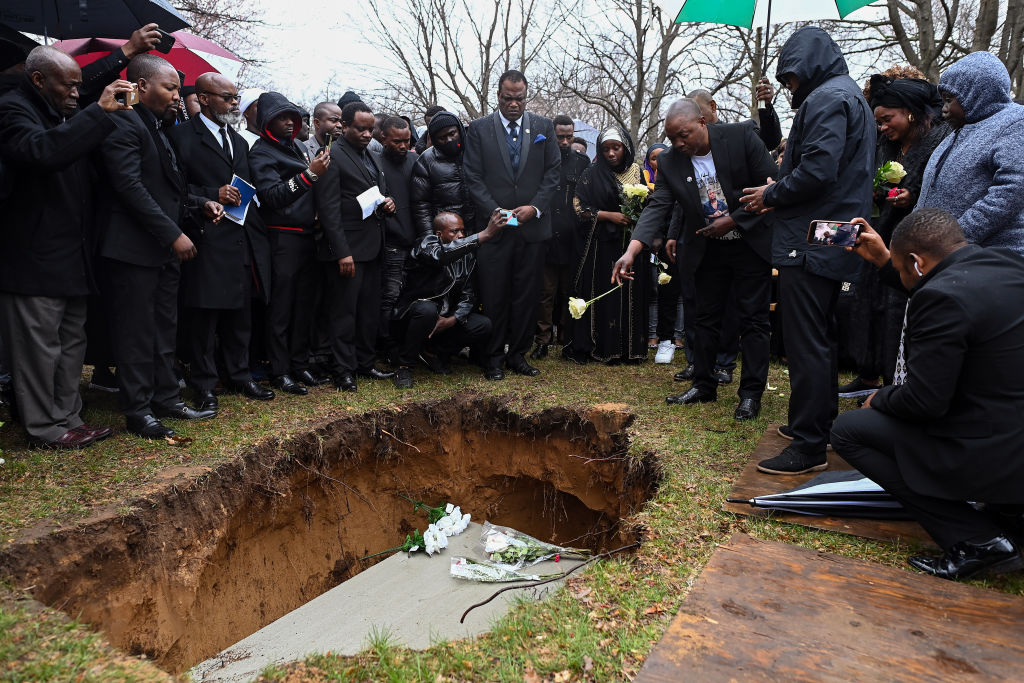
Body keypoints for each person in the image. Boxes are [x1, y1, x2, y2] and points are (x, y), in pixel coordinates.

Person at [831, 209, 1024, 581]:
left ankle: (979, 540)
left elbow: (925, 403)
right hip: (1011, 426)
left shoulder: (940, 298)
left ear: (917, 262)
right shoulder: (1006, 262)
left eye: (902, 269)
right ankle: (1010, 513)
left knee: (850, 430)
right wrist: (886, 262)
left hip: (996, 449)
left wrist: (880, 397)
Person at [739, 26, 876, 474]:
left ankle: (809, 444)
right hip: (833, 233)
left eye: (791, 77)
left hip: (810, 239)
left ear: (807, 65)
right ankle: (820, 424)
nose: (789, 87)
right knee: (821, 336)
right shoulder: (850, 95)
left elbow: (818, 170)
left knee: (806, 343)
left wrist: (772, 193)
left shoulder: (826, 100)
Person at [0, 46, 132, 448]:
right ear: (39, 80)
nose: (77, 92)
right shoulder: (12, 109)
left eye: (80, 85)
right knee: (39, 351)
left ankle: (69, 417)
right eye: (69, 85)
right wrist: (99, 112)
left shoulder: (61, 110)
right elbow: (42, 152)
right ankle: (45, 427)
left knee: (72, 344)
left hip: (73, 257)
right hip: (33, 258)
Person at [615, 99, 777, 420]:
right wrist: (632, 250)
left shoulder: (740, 137)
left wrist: (734, 220)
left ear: (702, 122)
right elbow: (658, 205)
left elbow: (772, 187)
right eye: (672, 138)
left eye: (684, 135)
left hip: (749, 244)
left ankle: (750, 394)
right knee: (703, 318)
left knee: (753, 320)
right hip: (706, 248)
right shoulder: (671, 161)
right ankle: (703, 384)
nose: (678, 143)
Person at [98, 54, 223, 438]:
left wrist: (200, 203)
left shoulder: (158, 127)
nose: (177, 96)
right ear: (141, 86)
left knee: (164, 329)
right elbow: (129, 188)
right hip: (133, 249)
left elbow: (167, 189)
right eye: (170, 88)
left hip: (162, 252)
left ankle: (166, 397)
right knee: (137, 333)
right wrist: (172, 234)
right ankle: (138, 410)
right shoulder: (124, 122)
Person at [166, 72, 274, 409]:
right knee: (204, 318)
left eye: (235, 97)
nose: (234, 104)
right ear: (204, 98)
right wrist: (211, 194)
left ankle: (239, 375)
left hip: (239, 238)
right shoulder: (180, 137)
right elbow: (172, 190)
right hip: (203, 238)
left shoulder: (239, 141)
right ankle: (204, 384)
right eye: (227, 98)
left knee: (239, 315)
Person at [841, 74, 951, 399]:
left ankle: (894, 383)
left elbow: (941, 189)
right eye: (879, 122)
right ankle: (868, 373)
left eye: (888, 119)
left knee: (896, 308)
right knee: (866, 302)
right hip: (882, 230)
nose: (883, 127)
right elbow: (879, 178)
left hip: (916, 239)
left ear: (910, 112)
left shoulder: (941, 139)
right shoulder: (887, 144)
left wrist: (911, 196)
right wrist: (879, 191)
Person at [463, 69, 560, 379]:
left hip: (532, 229)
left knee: (527, 295)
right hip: (495, 229)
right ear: (498, 96)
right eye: (508, 98)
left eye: (519, 98)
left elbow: (553, 172)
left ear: (526, 96)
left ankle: (518, 354)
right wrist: (495, 211)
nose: (514, 104)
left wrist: (535, 207)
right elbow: (472, 175)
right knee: (494, 295)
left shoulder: (544, 127)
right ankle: (492, 357)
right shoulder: (479, 129)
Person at [249, 91, 331, 395]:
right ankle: (279, 371)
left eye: (292, 117)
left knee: (303, 305)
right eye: (281, 117)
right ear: (267, 121)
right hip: (281, 237)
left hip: (308, 235)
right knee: (281, 308)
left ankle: (299, 364)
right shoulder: (261, 152)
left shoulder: (296, 146)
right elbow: (272, 196)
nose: (288, 122)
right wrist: (310, 175)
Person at [313, 101, 397, 392]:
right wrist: (342, 252)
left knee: (368, 311)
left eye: (370, 129)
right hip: (347, 250)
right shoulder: (331, 156)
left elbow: (376, 192)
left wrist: (388, 202)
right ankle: (343, 370)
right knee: (344, 313)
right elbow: (328, 210)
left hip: (373, 246)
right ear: (344, 126)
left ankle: (364, 362)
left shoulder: (372, 155)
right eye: (360, 129)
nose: (367, 134)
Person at [916, 51, 1024, 255]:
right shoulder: (962, 130)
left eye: (949, 100)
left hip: (991, 260)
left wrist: (954, 239)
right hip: (951, 257)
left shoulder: (1015, 122)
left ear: (976, 94)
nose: (944, 110)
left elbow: (1012, 191)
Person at [392, 211, 506, 388]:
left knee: (482, 325)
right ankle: (404, 366)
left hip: (443, 319)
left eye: (462, 231)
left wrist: (452, 320)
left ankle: (433, 353)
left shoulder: (467, 256)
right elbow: (440, 256)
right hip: (414, 317)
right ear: (439, 234)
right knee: (427, 310)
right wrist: (484, 234)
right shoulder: (426, 244)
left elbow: (468, 295)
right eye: (454, 231)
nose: (460, 235)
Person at [567, 126, 649, 364]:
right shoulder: (592, 172)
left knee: (632, 292)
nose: (611, 153)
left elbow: (649, 206)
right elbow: (578, 206)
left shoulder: (637, 171)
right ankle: (606, 348)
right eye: (606, 149)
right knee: (607, 292)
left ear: (626, 148)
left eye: (616, 148)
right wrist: (607, 215)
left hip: (632, 244)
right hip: (603, 246)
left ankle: (631, 350)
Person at [531, 114, 590, 360]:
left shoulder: (582, 162)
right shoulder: (540, 158)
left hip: (572, 235)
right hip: (545, 234)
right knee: (545, 293)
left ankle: (567, 339)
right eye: (560, 137)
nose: (565, 142)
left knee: (570, 291)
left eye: (569, 136)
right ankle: (542, 341)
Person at [377, 116, 419, 362]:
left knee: (411, 295)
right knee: (389, 296)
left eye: (407, 141)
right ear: (383, 138)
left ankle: (407, 343)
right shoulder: (375, 163)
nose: (403, 146)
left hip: (416, 240)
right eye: (397, 141)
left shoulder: (415, 160)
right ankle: (386, 345)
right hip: (391, 242)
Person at [641, 142, 684, 363]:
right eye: (654, 158)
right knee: (660, 291)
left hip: (681, 240)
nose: (659, 162)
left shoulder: (680, 177)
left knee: (679, 292)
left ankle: (678, 336)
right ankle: (662, 338)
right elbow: (653, 213)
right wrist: (656, 236)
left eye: (663, 156)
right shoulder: (646, 182)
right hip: (657, 244)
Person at [410, 110, 473, 238]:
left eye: (452, 134)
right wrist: (429, 237)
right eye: (442, 138)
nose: (449, 140)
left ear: (459, 130)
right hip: (449, 233)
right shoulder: (425, 161)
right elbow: (421, 205)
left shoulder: (475, 152)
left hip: (479, 227)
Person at [689, 79, 783, 152]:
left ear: (712, 106)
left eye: (696, 111)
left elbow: (769, 142)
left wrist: (766, 107)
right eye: (688, 115)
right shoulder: (686, 147)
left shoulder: (739, 135)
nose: (692, 118)